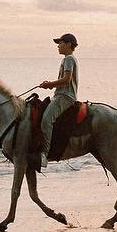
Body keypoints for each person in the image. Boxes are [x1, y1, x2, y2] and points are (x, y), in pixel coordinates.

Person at [35, 33, 79, 168]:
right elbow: (63, 81)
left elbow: (66, 79)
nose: (58, 46)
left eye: (60, 43)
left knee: (46, 120)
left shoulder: (69, 59)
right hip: (60, 94)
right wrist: (51, 84)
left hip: (65, 96)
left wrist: (50, 84)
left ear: (69, 45)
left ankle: (44, 153)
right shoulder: (67, 59)